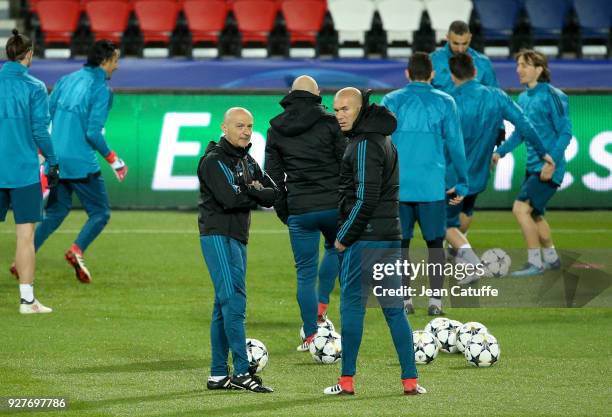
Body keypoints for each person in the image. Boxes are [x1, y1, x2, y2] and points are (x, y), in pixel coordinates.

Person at [323, 88, 424, 396]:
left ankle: (347, 382)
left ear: (361, 109)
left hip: (365, 240)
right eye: (336, 109)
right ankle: (410, 381)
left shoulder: (365, 143)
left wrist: (344, 237)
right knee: (394, 310)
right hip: (389, 237)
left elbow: (365, 198)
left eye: (345, 109)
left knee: (353, 307)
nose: (339, 115)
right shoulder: (382, 137)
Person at [19, 40, 127, 284]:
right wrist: (114, 160)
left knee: (56, 211)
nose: (117, 66)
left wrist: (41, 150)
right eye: (116, 60)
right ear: (105, 61)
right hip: (81, 162)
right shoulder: (101, 90)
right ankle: (76, 250)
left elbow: (45, 114)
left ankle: (23, 259)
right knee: (100, 213)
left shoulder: (67, 80)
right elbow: (93, 133)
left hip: (57, 159)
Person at [444, 53, 554, 283]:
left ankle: (470, 263)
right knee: (463, 214)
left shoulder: (448, 100)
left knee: (442, 224)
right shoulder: (496, 96)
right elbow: (525, 124)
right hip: (479, 176)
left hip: (451, 177)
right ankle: (459, 256)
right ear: (475, 72)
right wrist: (543, 153)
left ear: (452, 75)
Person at [381, 52, 468, 316]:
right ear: (432, 74)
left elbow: (380, 144)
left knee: (401, 245)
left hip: (399, 186)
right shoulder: (445, 101)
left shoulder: (391, 100)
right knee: (435, 244)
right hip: (431, 187)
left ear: (407, 73)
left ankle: (405, 299)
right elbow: (455, 144)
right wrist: (462, 182)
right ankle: (435, 302)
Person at [198, 107, 277, 393]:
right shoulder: (214, 161)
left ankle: (218, 375)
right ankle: (242, 372)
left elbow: (273, 193)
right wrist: (252, 190)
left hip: (238, 236)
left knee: (223, 304)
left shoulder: (247, 159)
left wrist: (249, 190)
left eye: (250, 126)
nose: (246, 131)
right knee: (233, 301)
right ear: (225, 127)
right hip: (217, 235)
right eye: (240, 126)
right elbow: (230, 199)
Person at [265, 75, 345, 352]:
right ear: (318, 94)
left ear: (290, 94)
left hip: (300, 208)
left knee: (304, 274)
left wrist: (285, 210)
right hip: (334, 205)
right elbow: (346, 163)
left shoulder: (275, 129)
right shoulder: (330, 123)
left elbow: (272, 177)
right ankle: (322, 305)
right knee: (336, 249)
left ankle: (311, 335)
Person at [492, 50, 571, 277]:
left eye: (525, 65)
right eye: (518, 65)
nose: (519, 69)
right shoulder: (524, 97)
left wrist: (552, 162)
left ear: (539, 69)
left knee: (520, 209)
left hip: (549, 168)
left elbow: (565, 133)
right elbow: (520, 133)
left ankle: (535, 263)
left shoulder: (554, 95)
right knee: (535, 215)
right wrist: (500, 152)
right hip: (533, 167)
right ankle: (552, 258)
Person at [0, 29, 59, 314]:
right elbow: (39, 131)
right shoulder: (35, 87)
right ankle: (27, 301)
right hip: (23, 171)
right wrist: (53, 160)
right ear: (29, 54)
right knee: (26, 236)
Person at [430, 20, 506, 146]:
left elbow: (495, 99)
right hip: (441, 131)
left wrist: (500, 128)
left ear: (470, 38)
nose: (460, 49)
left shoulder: (483, 63)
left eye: (464, 43)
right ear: (447, 38)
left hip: (477, 132)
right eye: (455, 43)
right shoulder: (432, 61)